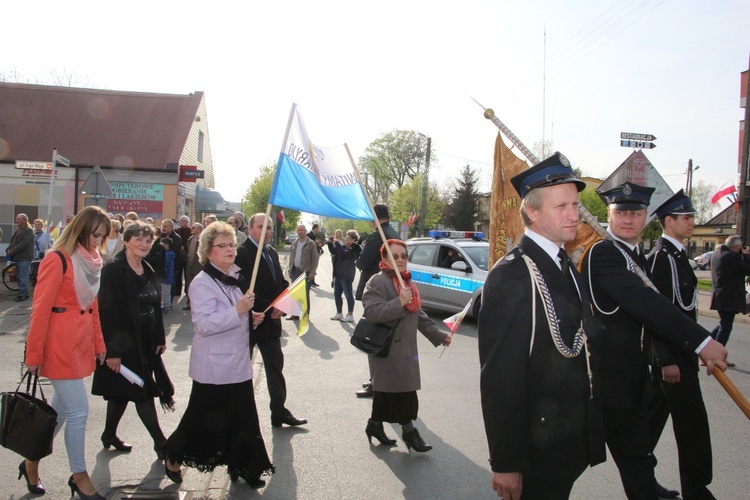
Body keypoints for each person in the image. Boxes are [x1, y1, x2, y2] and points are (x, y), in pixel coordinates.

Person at [581, 182, 728, 499]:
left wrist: (665, 357)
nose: (628, 219)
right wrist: (701, 343)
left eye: (635, 212)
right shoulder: (604, 254)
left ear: (646, 216)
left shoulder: (639, 259)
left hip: (634, 386)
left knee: (638, 464)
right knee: (562, 466)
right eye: (621, 212)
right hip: (604, 389)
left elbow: (652, 323)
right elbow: (644, 303)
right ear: (609, 214)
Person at [478, 152, 605, 499]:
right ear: (532, 212)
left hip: (564, 441)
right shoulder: (513, 274)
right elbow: (500, 377)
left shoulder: (563, 263)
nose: (573, 214)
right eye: (561, 206)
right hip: (536, 449)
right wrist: (505, 461)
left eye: (575, 205)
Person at [162, 221, 274, 488]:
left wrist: (250, 318)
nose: (230, 250)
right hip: (214, 367)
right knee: (200, 419)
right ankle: (173, 455)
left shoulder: (233, 276)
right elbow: (204, 325)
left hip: (238, 362)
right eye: (222, 246)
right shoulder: (202, 283)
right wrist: (238, 310)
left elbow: (235, 315)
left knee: (244, 418)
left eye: (232, 244)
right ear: (207, 251)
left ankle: (244, 465)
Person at [23, 206, 110, 499]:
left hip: (80, 343)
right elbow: (39, 311)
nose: (97, 241)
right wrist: (33, 355)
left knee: (58, 415)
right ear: (80, 230)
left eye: (102, 236)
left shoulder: (94, 261)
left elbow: (93, 307)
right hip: (58, 344)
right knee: (78, 411)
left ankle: (30, 462)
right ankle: (79, 475)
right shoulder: (57, 259)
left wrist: (99, 344)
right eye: (93, 234)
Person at [646, 190, 716, 499]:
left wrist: (699, 346)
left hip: (681, 353)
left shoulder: (676, 256)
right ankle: (697, 490)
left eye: (692, 217)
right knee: (693, 425)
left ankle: (641, 478)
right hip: (672, 359)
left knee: (649, 423)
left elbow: (684, 311)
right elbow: (657, 313)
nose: (691, 222)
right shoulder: (662, 258)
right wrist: (665, 359)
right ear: (669, 221)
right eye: (686, 218)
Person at [91, 220, 174, 463]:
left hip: (145, 342)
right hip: (124, 344)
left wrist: (159, 337)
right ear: (125, 241)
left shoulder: (146, 268)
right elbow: (107, 312)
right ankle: (162, 445)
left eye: (148, 240)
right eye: (138, 239)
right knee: (141, 390)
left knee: (121, 393)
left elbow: (155, 305)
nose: (144, 244)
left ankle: (108, 435)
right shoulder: (114, 270)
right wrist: (113, 352)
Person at [362, 239, 450, 452]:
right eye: (394, 256)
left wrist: (438, 335)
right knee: (403, 395)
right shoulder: (377, 281)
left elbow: (418, 314)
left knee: (387, 393)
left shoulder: (408, 282)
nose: (400, 260)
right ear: (384, 259)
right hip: (387, 351)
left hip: (406, 351)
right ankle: (411, 434)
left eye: (403, 256)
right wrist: (398, 302)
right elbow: (372, 313)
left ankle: (374, 426)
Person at [236, 214, 308, 427]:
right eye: (261, 227)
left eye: (269, 228)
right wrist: (270, 306)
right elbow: (245, 289)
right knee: (242, 371)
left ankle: (279, 411)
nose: (267, 232)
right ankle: (242, 417)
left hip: (271, 324)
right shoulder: (242, 254)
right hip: (250, 322)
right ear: (250, 228)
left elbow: (281, 282)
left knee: (275, 367)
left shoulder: (271, 252)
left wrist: (284, 302)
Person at [355, 204, 400, 398]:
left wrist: (359, 251)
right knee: (390, 338)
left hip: (377, 291)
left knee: (374, 338)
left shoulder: (377, 236)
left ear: (375, 217)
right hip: (393, 290)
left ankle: (377, 383)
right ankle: (383, 380)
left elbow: (362, 263)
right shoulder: (394, 234)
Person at [709, 234, 750, 356]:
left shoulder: (716, 254)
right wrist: (747, 255)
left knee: (723, 323)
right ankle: (716, 354)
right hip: (729, 296)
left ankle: (706, 345)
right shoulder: (732, 257)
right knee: (726, 326)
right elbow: (747, 270)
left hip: (719, 295)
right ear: (737, 246)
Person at [286, 224, 319, 320]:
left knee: (304, 294)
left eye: (302, 230)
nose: (300, 232)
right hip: (295, 271)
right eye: (299, 230)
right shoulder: (294, 243)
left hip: (306, 272)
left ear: (305, 231)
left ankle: (305, 315)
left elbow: (315, 259)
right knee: (294, 293)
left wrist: (312, 273)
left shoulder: (311, 243)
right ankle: (295, 314)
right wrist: (289, 269)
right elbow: (291, 257)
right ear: (297, 231)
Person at [327, 229, 361, 322]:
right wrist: (330, 243)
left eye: (348, 238)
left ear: (353, 239)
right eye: (345, 237)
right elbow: (334, 252)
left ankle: (350, 315)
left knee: (348, 295)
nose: (346, 239)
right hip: (338, 274)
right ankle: (339, 313)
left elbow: (345, 254)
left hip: (346, 274)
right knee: (337, 294)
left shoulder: (355, 247)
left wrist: (337, 243)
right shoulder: (345, 247)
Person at [7, 213, 35, 302]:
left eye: (18, 219)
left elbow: (24, 244)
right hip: (18, 257)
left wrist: (12, 251)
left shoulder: (28, 230)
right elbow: (13, 242)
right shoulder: (19, 230)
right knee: (19, 276)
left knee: (23, 276)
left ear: (24, 220)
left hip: (24, 257)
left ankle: (24, 294)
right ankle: (21, 292)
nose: (16, 221)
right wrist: (8, 249)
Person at [160, 219, 183, 301]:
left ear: (171, 227)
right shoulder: (160, 236)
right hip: (162, 266)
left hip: (173, 266)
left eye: (165, 226)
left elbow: (176, 252)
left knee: (171, 285)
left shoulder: (177, 238)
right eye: (162, 226)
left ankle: (169, 303)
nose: (163, 228)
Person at [183, 222, 203, 310]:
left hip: (198, 266)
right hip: (189, 265)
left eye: (194, 228)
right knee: (189, 285)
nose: (192, 229)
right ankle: (189, 303)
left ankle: (198, 304)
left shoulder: (203, 240)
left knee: (198, 286)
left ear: (199, 229)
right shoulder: (189, 239)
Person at [174, 215, 192, 296]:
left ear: (187, 222)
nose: (181, 222)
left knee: (187, 273)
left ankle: (187, 291)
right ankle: (177, 290)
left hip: (187, 255)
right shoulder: (177, 230)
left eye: (183, 221)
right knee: (178, 273)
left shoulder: (190, 231)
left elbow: (189, 242)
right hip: (179, 254)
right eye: (180, 221)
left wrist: (184, 247)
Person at [160, 237, 176, 314]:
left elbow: (166, 266)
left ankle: (167, 306)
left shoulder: (166, 255)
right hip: (169, 276)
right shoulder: (170, 254)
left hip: (166, 276)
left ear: (166, 245)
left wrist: (162, 274)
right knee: (166, 292)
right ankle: (167, 305)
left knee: (165, 292)